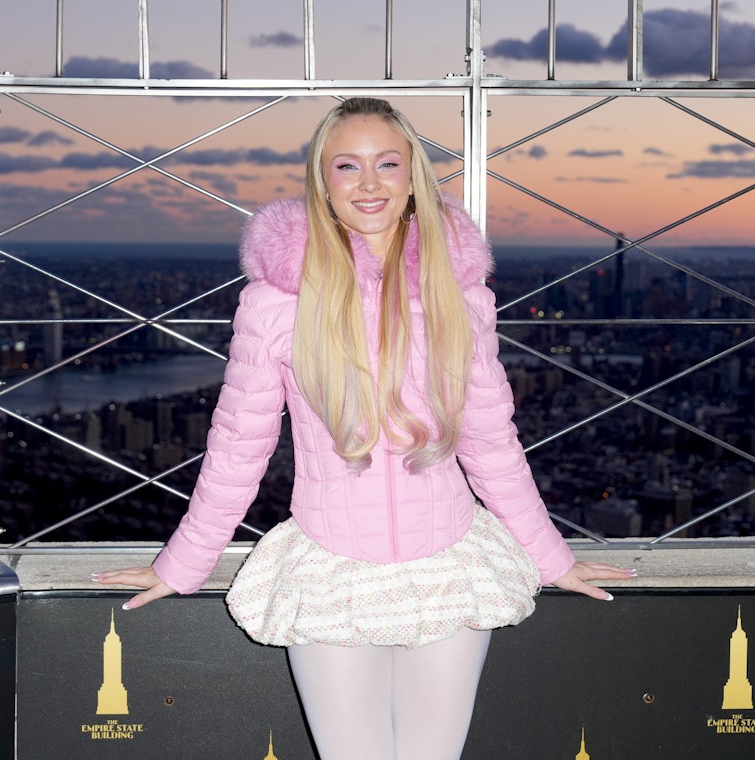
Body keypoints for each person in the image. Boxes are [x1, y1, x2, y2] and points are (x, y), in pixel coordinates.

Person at [94, 97, 635, 759]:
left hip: (448, 565)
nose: (370, 183)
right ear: (322, 182)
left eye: (388, 163)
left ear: (413, 177)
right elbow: (238, 444)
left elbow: (491, 440)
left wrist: (553, 559)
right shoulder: (276, 303)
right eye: (347, 165)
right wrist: (182, 564)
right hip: (331, 570)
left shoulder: (460, 295)